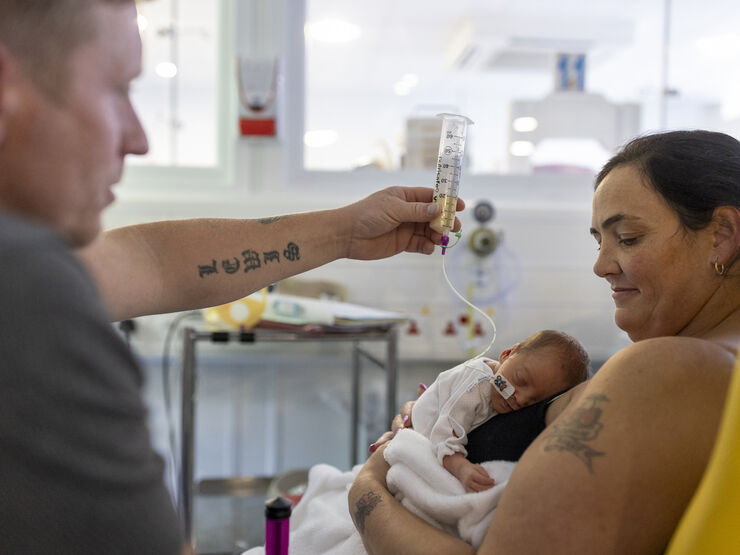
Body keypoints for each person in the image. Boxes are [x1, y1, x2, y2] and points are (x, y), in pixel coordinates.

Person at [0, 2, 462, 554]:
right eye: (116, 90)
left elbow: (150, 260)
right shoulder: (27, 289)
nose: (139, 138)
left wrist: (343, 232)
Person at [349, 129, 740, 554]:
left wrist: (366, 486)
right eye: (598, 241)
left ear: (721, 233)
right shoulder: (697, 366)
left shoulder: (668, 371)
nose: (601, 265)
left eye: (627, 238)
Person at [389, 330, 589, 493]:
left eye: (534, 401)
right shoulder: (477, 383)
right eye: (521, 380)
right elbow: (444, 431)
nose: (519, 398)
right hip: (420, 439)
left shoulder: (500, 389)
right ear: (507, 354)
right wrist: (461, 467)